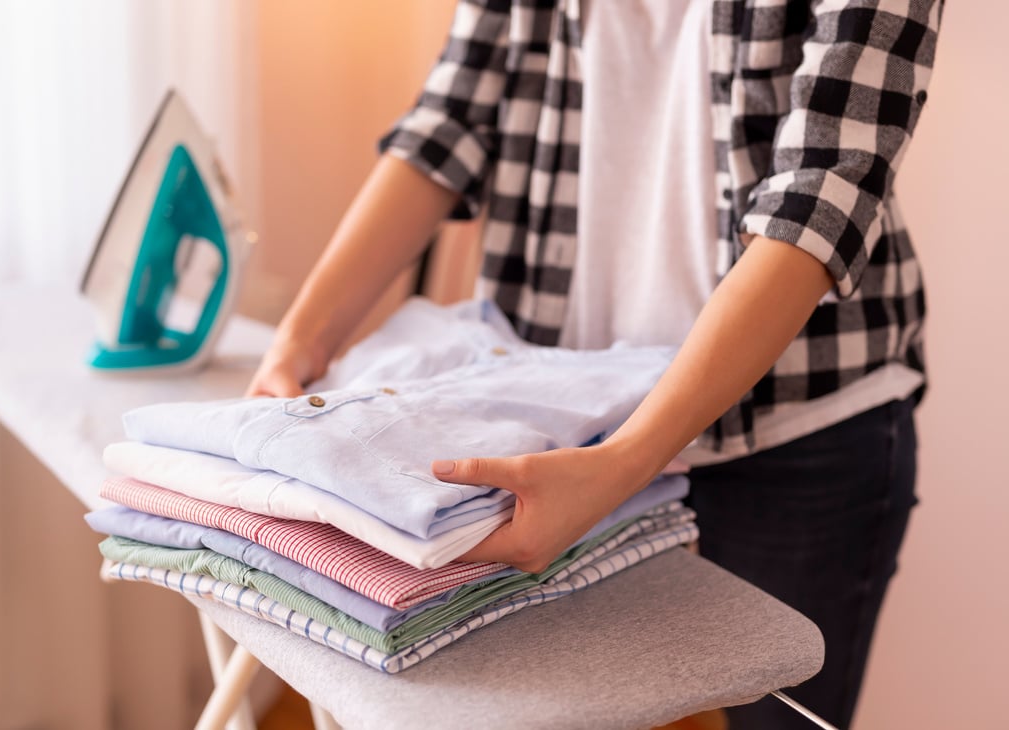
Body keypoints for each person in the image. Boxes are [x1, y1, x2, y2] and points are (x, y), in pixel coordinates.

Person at [247, 1, 944, 727]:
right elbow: (449, 121)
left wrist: (627, 460)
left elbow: (823, 186)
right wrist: (299, 343)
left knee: (783, 715)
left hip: (796, 420)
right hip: (559, 411)